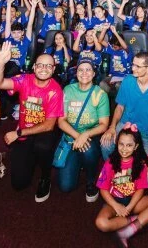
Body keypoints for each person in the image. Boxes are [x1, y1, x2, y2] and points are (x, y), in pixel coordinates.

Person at [0, 51, 64, 203]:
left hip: (44, 131)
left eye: (48, 66)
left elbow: (49, 125)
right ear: (34, 66)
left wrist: (18, 133)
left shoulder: (56, 90)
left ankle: (45, 177)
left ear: (53, 69)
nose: (43, 68)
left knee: (43, 146)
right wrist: (0, 64)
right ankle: (30, 157)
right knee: (19, 184)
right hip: (25, 130)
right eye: (40, 65)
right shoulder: (24, 79)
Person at [95, 124, 148, 248]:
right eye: (121, 144)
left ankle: (129, 230)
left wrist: (130, 207)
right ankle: (139, 220)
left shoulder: (140, 164)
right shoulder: (110, 163)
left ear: (136, 147)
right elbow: (103, 189)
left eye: (129, 145)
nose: (124, 149)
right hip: (114, 201)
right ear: (117, 144)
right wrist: (116, 206)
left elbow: (140, 189)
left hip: (134, 201)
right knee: (101, 223)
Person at [58, 59, 110, 201]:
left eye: (88, 70)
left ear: (94, 74)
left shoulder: (100, 94)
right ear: (76, 73)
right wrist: (77, 136)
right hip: (71, 137)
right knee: (65, 186)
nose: (84, 73)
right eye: (81, 70)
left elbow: (104, 124)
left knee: (88, 150)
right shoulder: (68, 90)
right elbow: (61, 121)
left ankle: (91, 180)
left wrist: (85, 135)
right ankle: (80, 161)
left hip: (91, 137)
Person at [101, 52, 148, 159]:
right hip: (125, 125)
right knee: (105, 144)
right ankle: (111, 170)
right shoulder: (128, 81)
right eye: (133, 64)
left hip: (146, 133)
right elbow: (120, 107)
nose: (133, 68)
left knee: (136, 161)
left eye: (137, 66)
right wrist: (112, 127)